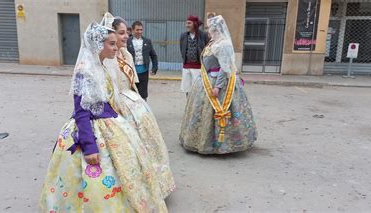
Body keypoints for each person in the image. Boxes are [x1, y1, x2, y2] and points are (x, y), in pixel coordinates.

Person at [38, 20, 167, 212]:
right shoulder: (85, 70)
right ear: (99, 44)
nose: (116, 48)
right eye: (112, 44)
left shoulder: (101, 65)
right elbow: (81, 111)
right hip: (91, 129)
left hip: (111, 124)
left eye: (116, 43)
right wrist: (89, 147)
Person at [104, 13, 175, 199]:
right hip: (116, 107)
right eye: (121, 33)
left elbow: (131, 83)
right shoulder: (106, 57)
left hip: (131, 102)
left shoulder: (125, 53)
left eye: (126, 32)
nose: (125, 36)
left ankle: (155, 183)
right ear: (111, 35)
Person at [179, 15, 257, 154]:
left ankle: (222, 144)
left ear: (217, 29)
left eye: (210, 28)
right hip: (207, 78)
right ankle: (203, 140)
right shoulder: (213, 43)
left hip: (219, 82)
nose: (208, 31)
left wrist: (218, 86)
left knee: (222, 111)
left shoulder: (224, 44)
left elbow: (224, 67)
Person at [127, 21, 158, 101]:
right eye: (137, 30)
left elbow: (153, 55)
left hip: (144, 72)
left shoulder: (147, 41)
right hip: (131, 73)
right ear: (133, 30)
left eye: (141, 30)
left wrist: (154, 68)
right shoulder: (127, 41)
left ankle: (144, 112)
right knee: (132, 94)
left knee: (143, 95)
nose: (139, 32)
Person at [180, 15, 209, 97]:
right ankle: (189, 106)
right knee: (187, 88)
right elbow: (182, 49)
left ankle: (196, 108)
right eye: (186, 23)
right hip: (186, 67)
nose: (187, 25)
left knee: (197, 90)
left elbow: (207, 50)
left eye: (189, 23)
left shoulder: (203, 35)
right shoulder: (183, 36)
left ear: (195, 24)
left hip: (198, 67)